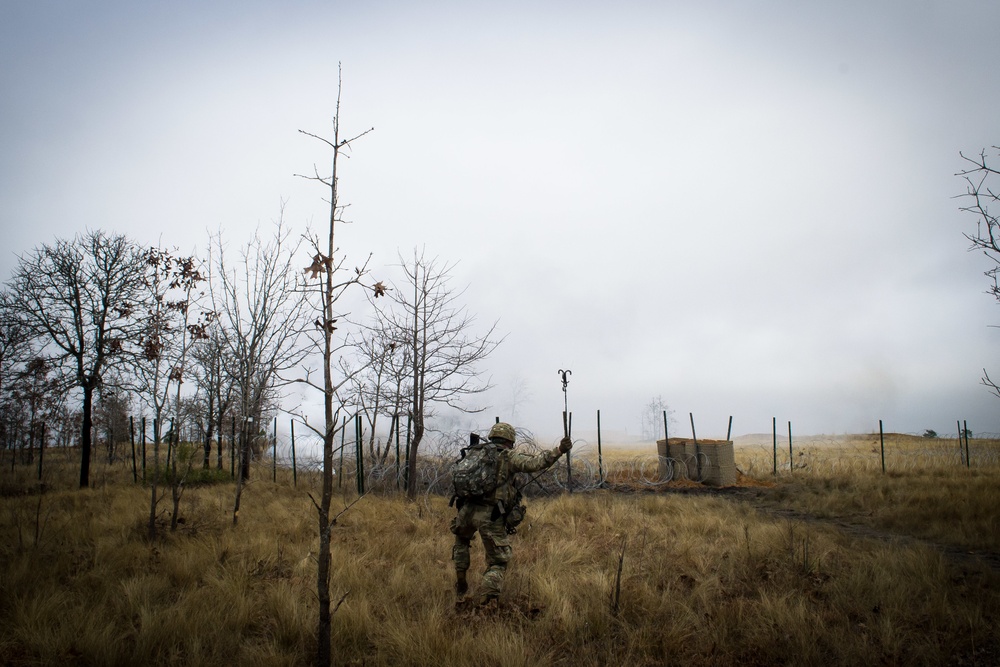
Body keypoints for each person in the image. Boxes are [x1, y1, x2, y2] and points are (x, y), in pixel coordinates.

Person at [450, 421, 573, 606]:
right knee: (498, 561)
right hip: (490, 515)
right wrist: (559, 450)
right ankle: (487, 604)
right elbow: (536, 463)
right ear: (510, 440)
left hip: (466, 510)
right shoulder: (507, 456)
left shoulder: (475, 452)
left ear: (492, 437)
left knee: (461, 541)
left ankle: (461, 582)